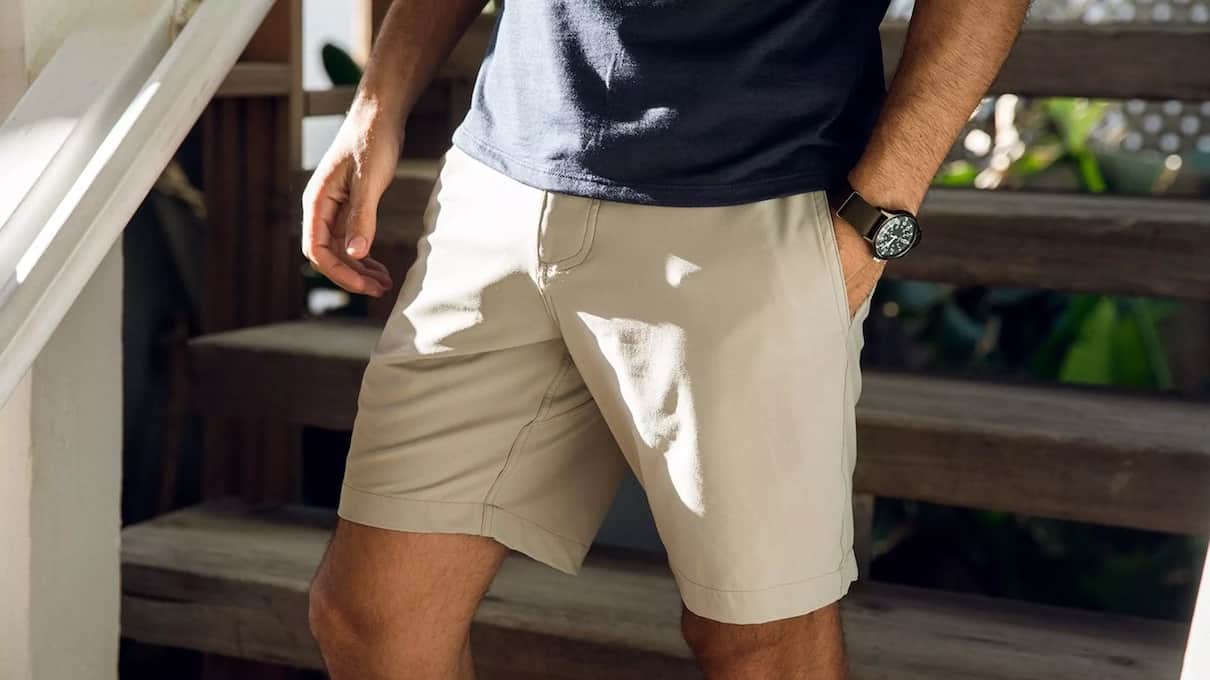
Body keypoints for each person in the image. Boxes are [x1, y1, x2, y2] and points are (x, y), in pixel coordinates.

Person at [302, 0, 1029, 677]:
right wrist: (377, 104)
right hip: (500, 185)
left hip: (748, 199)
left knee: (759, 645)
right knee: (370, 617)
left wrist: (876, 217)